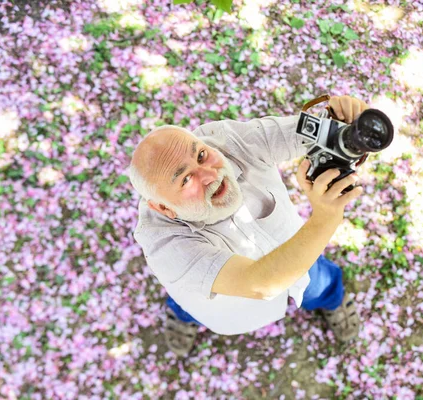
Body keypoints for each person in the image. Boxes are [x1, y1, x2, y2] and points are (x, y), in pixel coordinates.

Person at [128, 96, 367, 357]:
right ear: (164, 209)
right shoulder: (163, 246)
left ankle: (332, 299)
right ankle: (185, 316)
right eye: (186, 180)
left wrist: (347, 129)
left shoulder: (226, 140)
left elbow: (304, 133)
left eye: (201, 155)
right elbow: (259, 283)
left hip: (300, 258)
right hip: (225, 304)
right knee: (192, 300)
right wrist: (326, 217)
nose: (209, 175)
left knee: (320, 284)